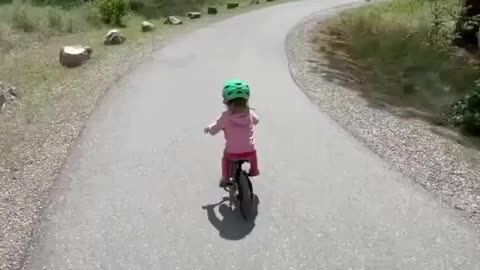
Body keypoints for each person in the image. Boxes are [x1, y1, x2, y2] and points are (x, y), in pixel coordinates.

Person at [204, 79, 260, 187]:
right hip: (249, 150)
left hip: (232, 152)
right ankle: (254, 170)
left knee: (226, 158)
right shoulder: (249, 112)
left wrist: (209, 128)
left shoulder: (226, 116)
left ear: (226, 101)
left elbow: (214, 129)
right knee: (253, 152)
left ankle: (225, 179)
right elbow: (257, 121)